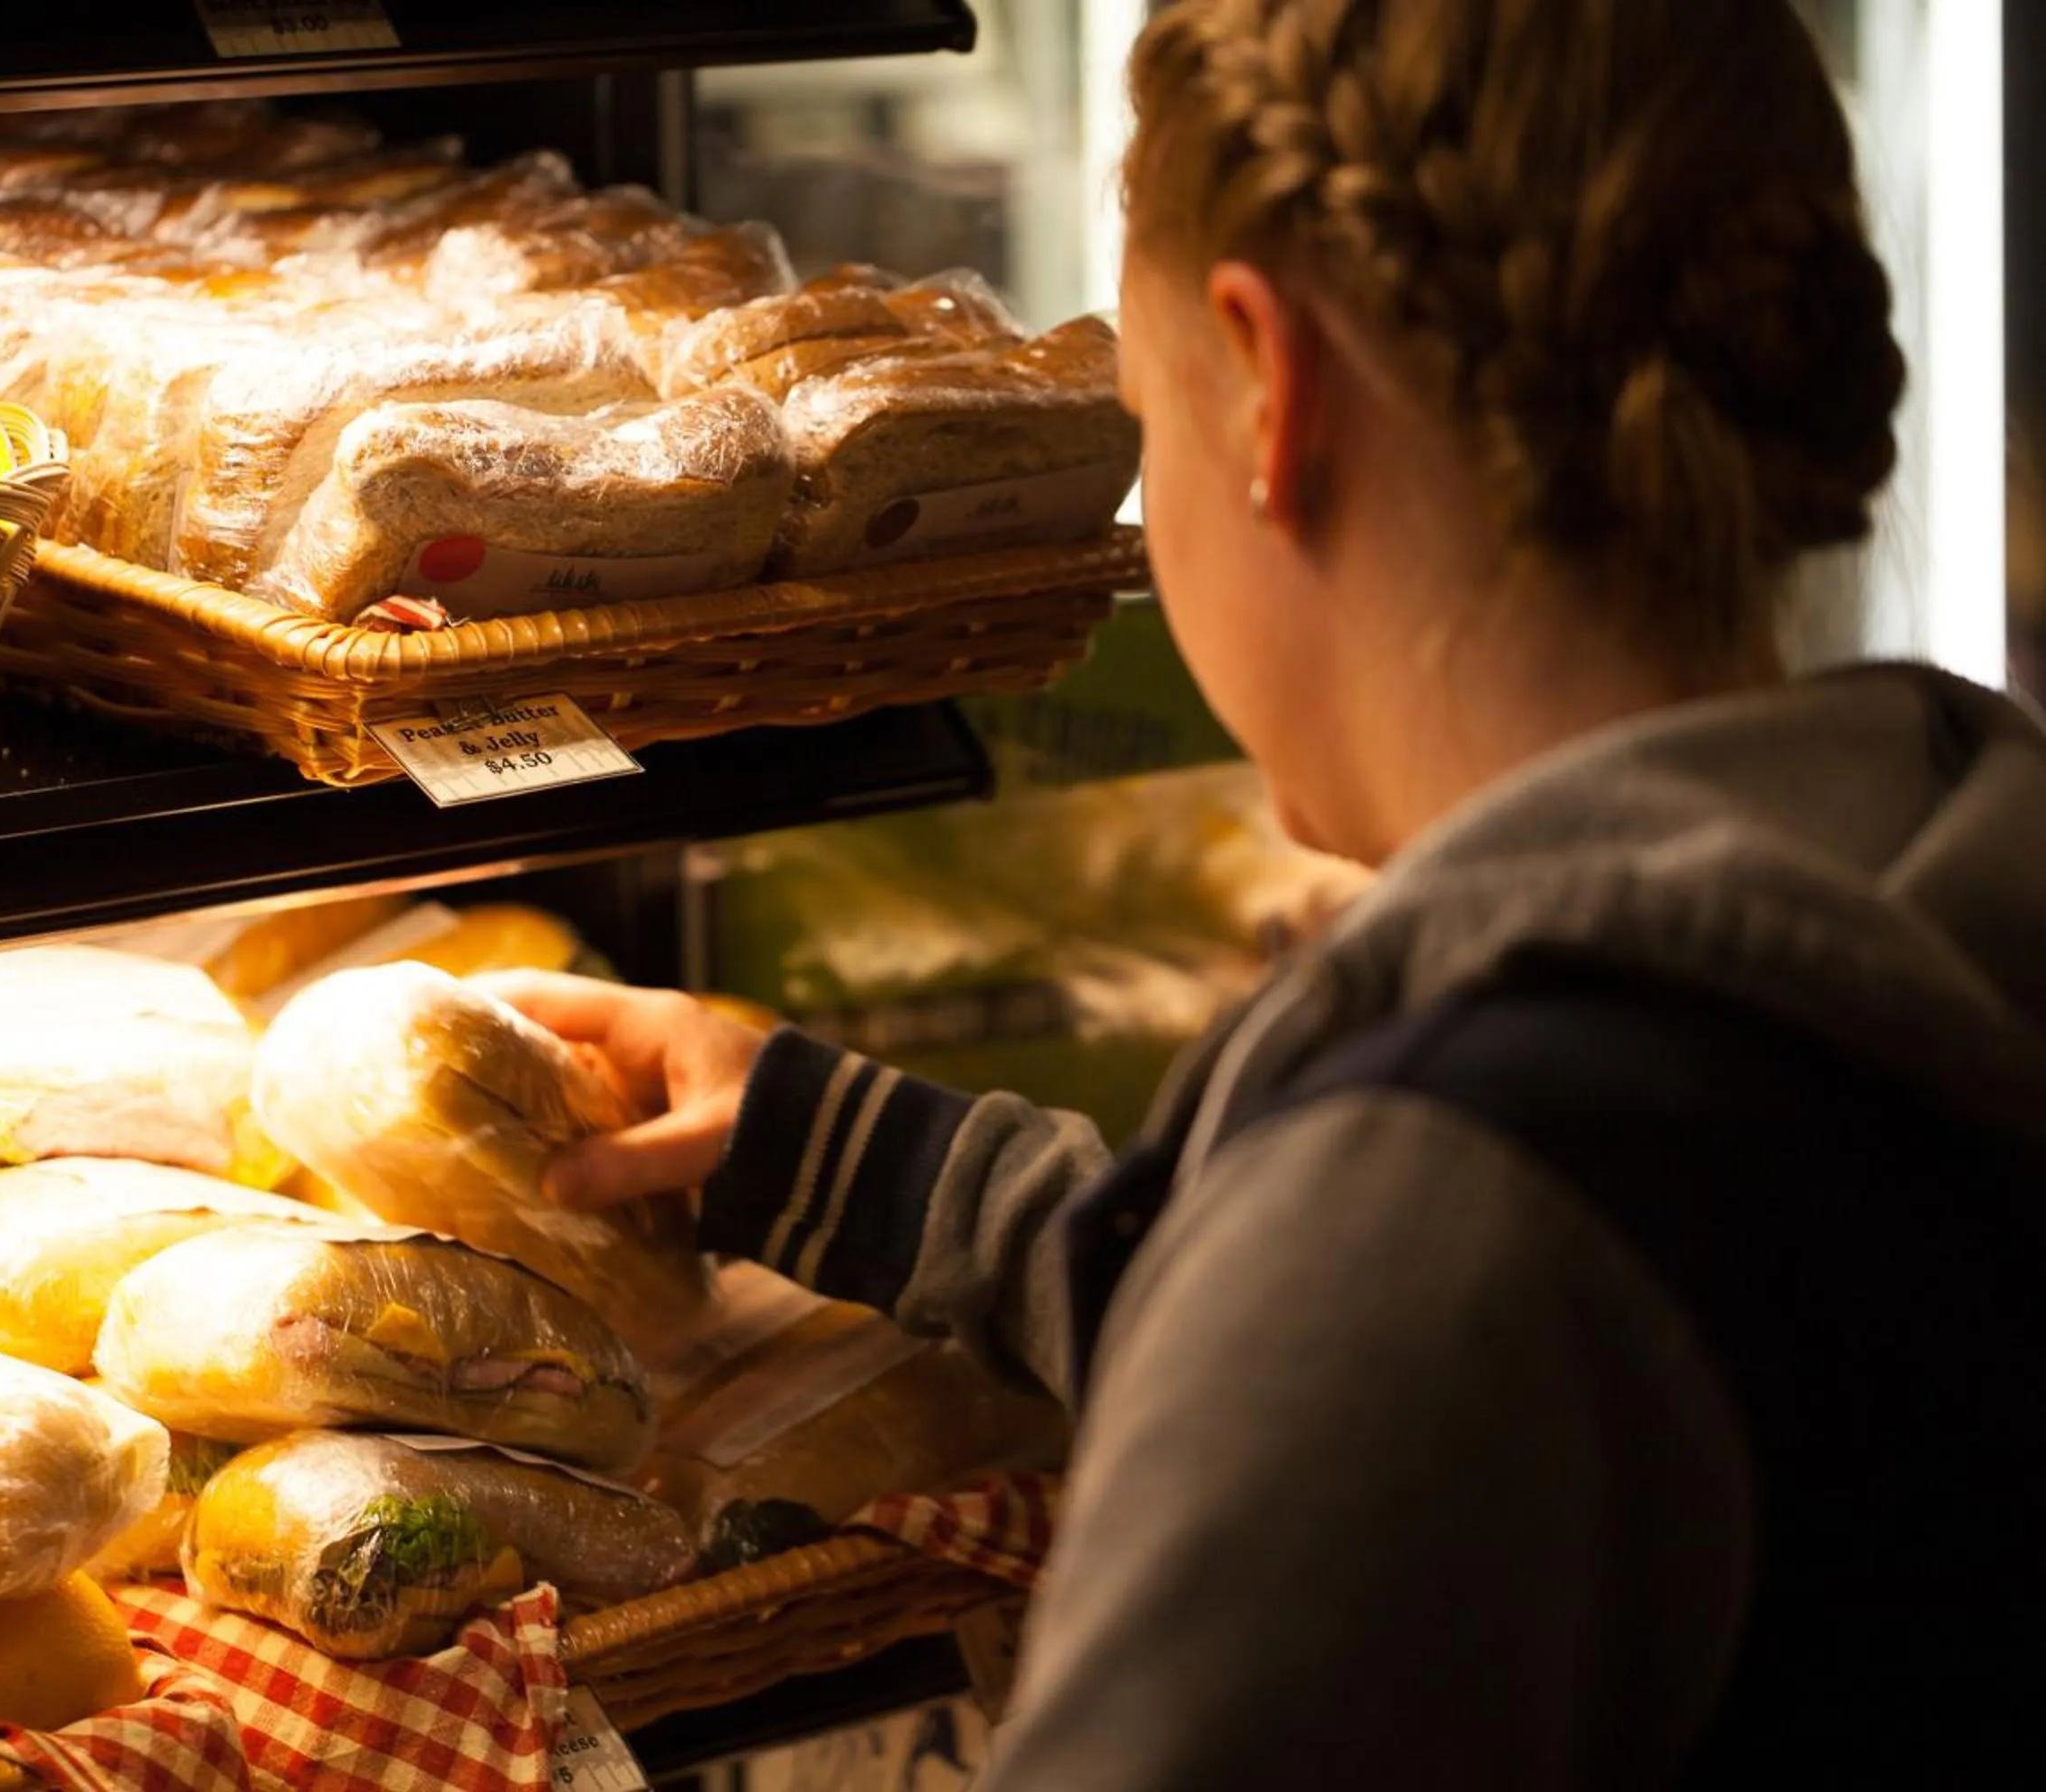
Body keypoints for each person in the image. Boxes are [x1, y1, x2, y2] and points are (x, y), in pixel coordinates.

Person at [481, 1, 2046, 1783]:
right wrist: (857, 1153)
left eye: (1146, 418)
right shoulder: (1916, 891)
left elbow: (1398, 1316)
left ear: (1266, 389)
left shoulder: (1452, 1212)